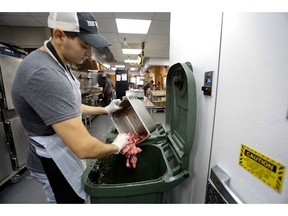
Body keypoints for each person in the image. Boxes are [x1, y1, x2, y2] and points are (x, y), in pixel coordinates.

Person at [11, 12, 129, 204]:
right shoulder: (44, 73)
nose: (89, 53)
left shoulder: (58, 63)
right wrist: (117, 146)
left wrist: (105, 110)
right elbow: (83, 147)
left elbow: (67, 107)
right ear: (59, 36)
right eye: (84, 46)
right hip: (51, 161)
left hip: (61, 151)